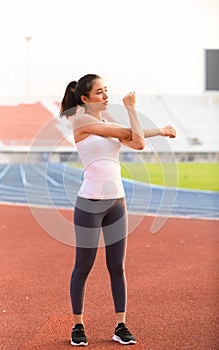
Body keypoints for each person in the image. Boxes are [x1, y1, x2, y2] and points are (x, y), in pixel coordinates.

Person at [60, 74, 176, 346]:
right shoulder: (81, 120)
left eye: (106, 90)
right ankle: (78, 326)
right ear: (85, 98)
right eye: (99, 92)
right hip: (90, 203)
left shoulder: (102, 124)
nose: (105, 95)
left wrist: (159, 130)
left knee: (117, 267)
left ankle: (120, 325)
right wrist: (133, 110)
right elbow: (134, 138)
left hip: (117, 203)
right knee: (83, 267)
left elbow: (132, 138)